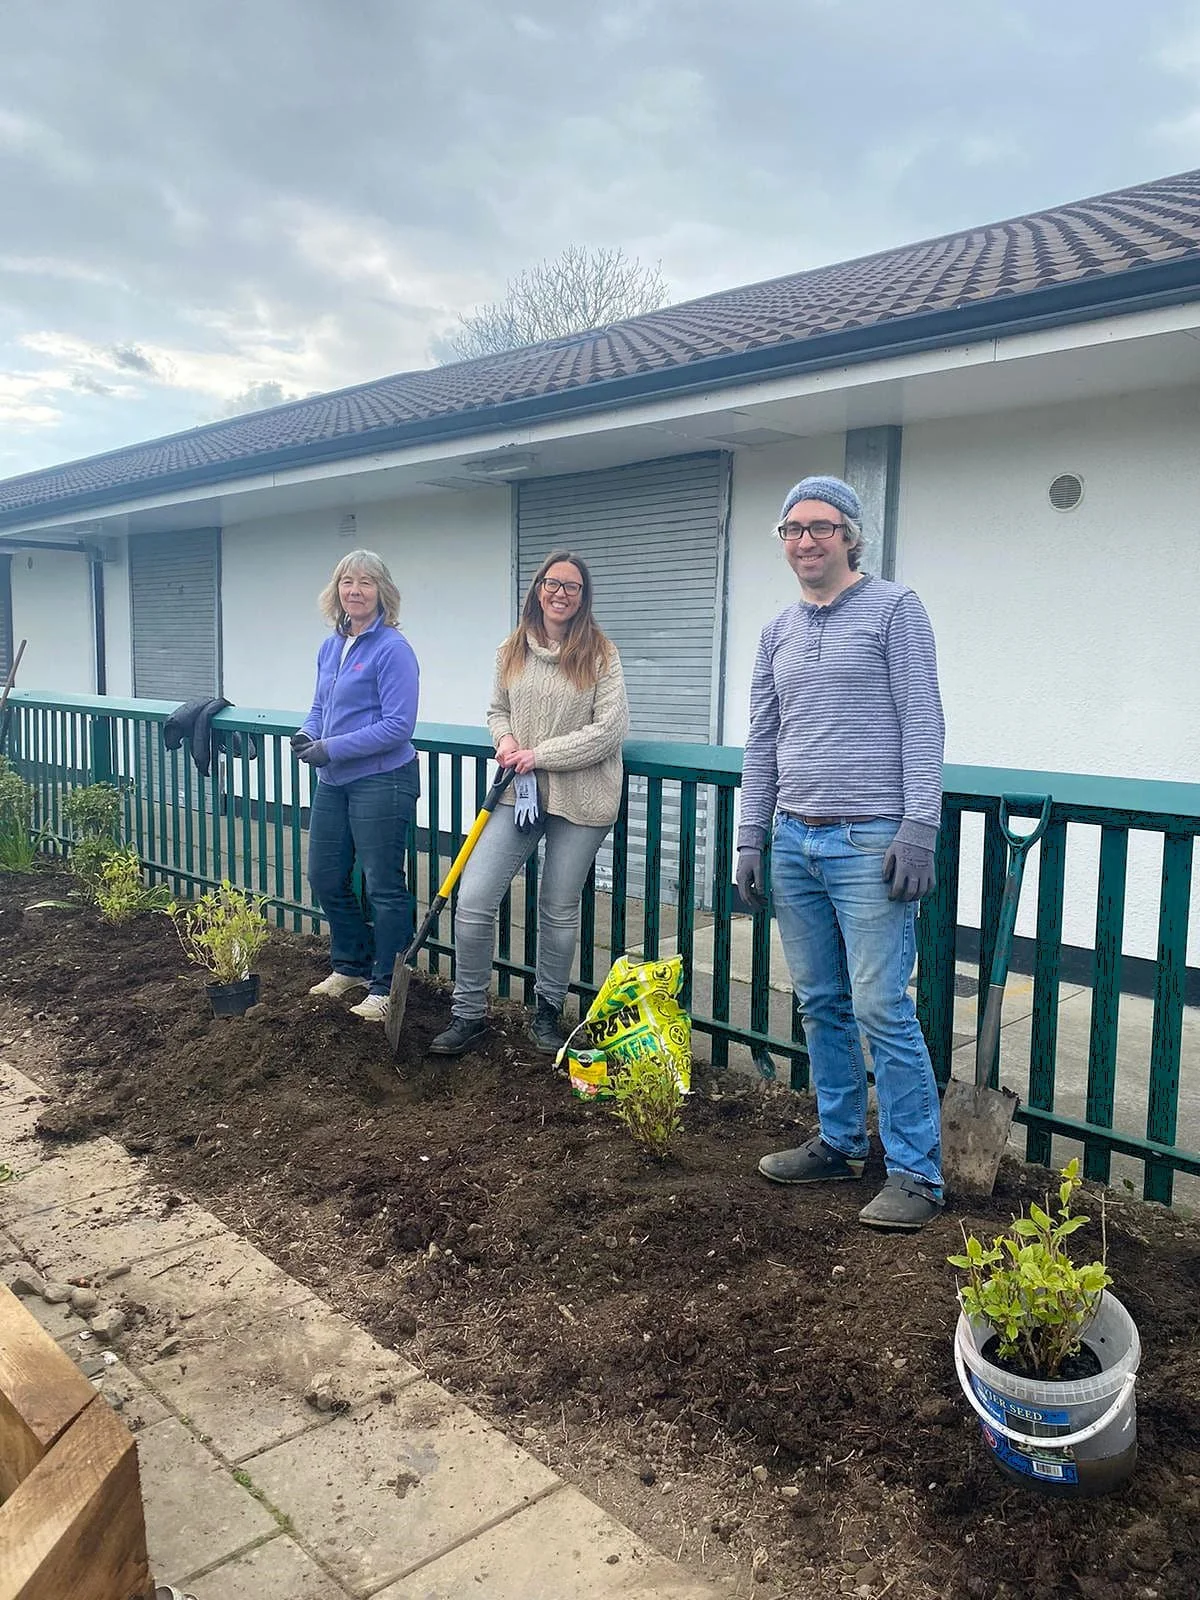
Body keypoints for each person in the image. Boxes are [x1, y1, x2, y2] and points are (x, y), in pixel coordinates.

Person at [735, 475, 946, 1232]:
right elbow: (764, 739)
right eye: (791, 529)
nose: (805, 541)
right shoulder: (776, 632)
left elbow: (923, 721)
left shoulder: (895, 609)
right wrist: (751, 835)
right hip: (793, 839)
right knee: (820, 1001)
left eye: (820, 527)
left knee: (882, 1006)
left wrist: (919, 826)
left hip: (869, 843)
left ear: (850, 536)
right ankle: (839, 1141)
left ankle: (918, 1174)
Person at [430, 550, 629, 1058]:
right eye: (552, 583)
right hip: (520, 792)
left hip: (582, 796)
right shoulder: (511, 650)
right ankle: (469, 1013)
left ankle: (546, 1012)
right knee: (473, 900)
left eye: (572, 587)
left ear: (584, 598)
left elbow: (608, 731)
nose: (561, 593)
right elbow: (497, 710)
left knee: (557, 908)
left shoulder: (601, 653)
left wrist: (537, 754)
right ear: (537, 589)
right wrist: (505, 740)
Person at [294, 550, 420, 1023]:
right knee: (325, 875)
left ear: (381, 591)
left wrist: (333, 747)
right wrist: (309, 736)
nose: (355, 590)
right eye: (347, 581)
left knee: (385, 885)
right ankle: (351, 965)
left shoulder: (392, 649)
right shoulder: (331, 646)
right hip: (335, 780)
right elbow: (319, 707)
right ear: (337, 590)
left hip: (382, 780)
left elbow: (398, 726)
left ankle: (387, 985)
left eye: (366, 582)